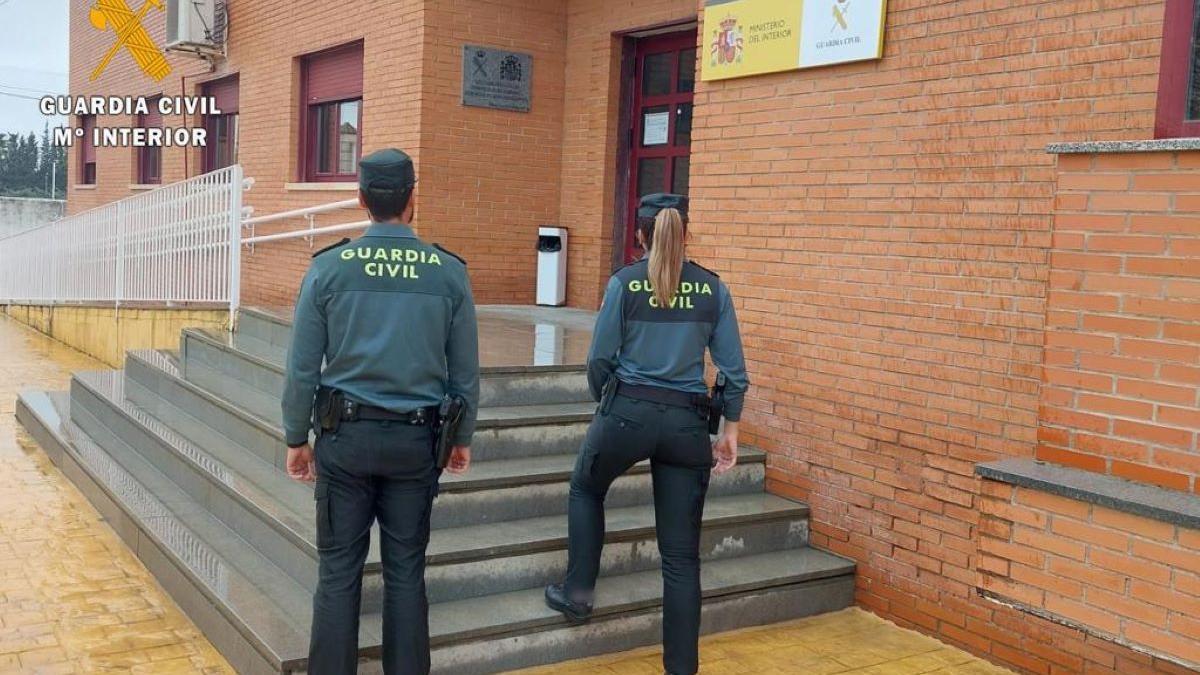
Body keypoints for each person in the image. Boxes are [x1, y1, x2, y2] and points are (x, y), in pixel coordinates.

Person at [280, 148, 479, 675]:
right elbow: (464, 372)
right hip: (417, 445)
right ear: (413, 199)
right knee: (406, 573)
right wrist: (463, 437)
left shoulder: (328, 268)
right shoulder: (448, 273)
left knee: (339, 573)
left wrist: (295, 438)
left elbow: (302, 368)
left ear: (363, 200)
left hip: (344, 441)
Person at [544, 193, 749, 675]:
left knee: (585, 489)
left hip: (626, 416)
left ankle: (577, 595)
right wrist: (730, 431)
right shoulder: (713, 290)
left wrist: (606, 402)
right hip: (686, 426)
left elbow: (598, 358)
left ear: (639, 234)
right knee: (680, 557)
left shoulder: (624, 283)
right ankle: (682, 667)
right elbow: (733, 372)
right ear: (684, 232)